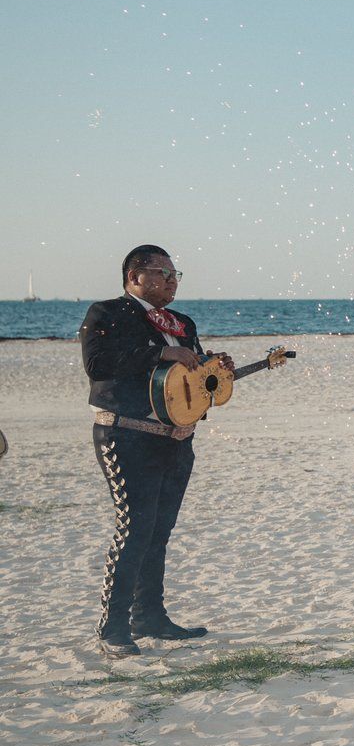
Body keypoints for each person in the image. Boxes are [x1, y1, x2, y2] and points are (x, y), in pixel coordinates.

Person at [79, 245, 230, 656]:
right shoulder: (106, 313)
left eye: (175, 273)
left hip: (176, 440)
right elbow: (97, 364)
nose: (172, 280)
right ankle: (112, 627)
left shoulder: (182, 322)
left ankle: (149, 616)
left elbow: (188, 377)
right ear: (134, 277)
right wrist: (160, 352)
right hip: (125, 436)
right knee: (135, 530)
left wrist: (213, 369)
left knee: (158, 534)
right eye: (162, 272)